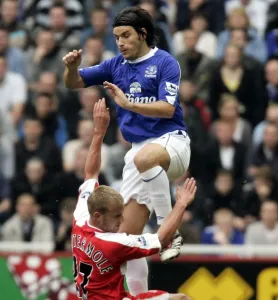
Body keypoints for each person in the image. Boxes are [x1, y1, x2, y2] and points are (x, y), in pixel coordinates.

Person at [63, 6, 191, 295]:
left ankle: (170, 231)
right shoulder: (114, 65)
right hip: (137, 156)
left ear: (143, 34)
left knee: (143, 157)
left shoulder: (165, 62)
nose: (119, 42)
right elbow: (73, 83)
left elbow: (168, 108)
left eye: (125, 35)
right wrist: (71, 67)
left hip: (172, 143)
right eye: (116, 36)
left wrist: (128, 104)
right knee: (126, 239)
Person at [72, 99, 195, 300]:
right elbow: (161, 239)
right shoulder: (111, 243)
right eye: (117, 216)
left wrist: (99, 132)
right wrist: (180, 204)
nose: (122, 220)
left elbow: (91, 174)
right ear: (98, 215)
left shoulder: (81, 217)